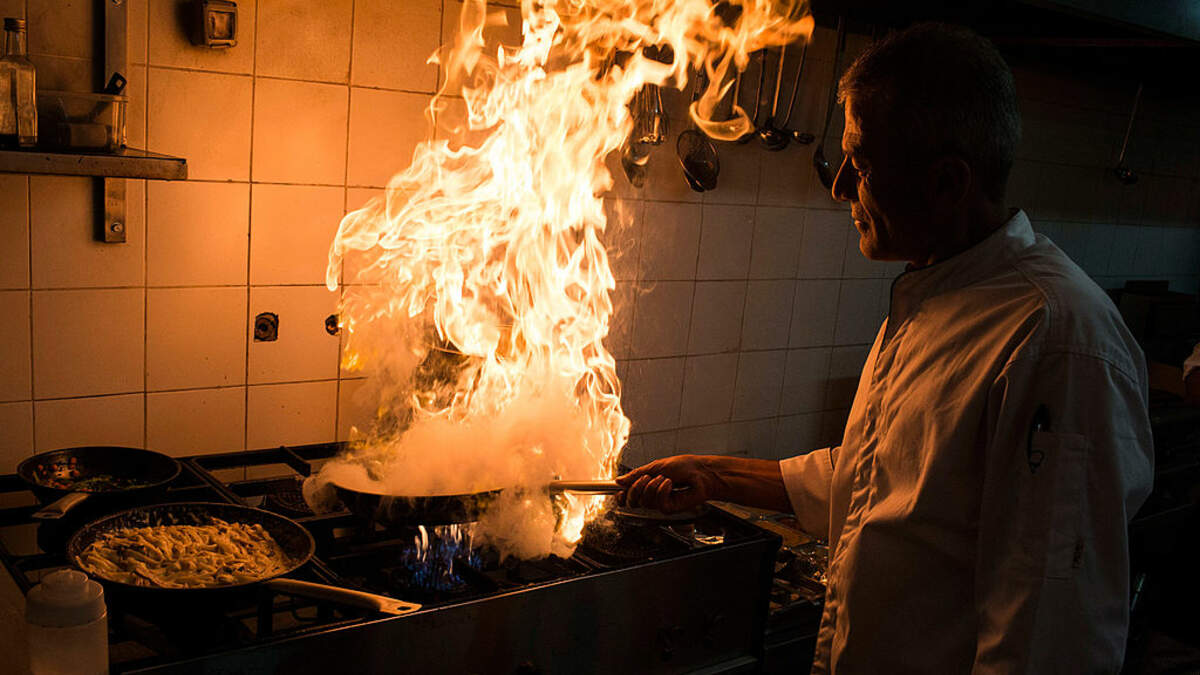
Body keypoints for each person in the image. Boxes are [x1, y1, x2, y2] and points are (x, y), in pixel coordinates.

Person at [617, 23, 1154, 674]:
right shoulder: (935, 291)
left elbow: (1049, 637)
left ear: (947, 183)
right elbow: (880, 477)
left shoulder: (1055, 341)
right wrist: (713, 475)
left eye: (862, 164)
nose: (840, 185)